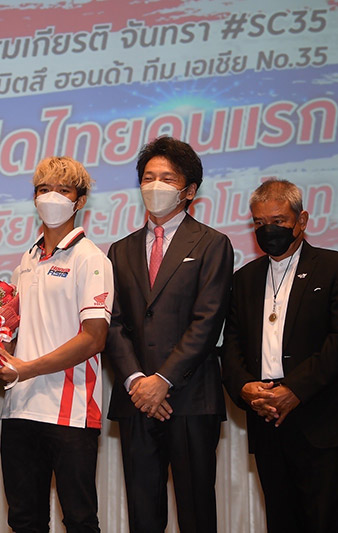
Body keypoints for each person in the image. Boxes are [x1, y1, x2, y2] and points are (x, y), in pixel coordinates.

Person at [220, 178, 338, 533]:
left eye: (278, 221)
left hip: (321, 419)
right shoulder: (244, 278)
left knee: (325, 522)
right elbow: (232, 344)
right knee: (280, 521)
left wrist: (294, 390)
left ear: (302, 221)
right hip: (266, 417)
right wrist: (245, 388)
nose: (268, 230)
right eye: (259, 223)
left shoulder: (335, 267)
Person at [105, 137, 233, 532]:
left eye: (167, 178)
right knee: (143, 515)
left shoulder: (212, 244)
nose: (155, 185)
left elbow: (207, 321)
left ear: (189, 190)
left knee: (196, 513)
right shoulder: (119, 250)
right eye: (148, 178)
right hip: (136, 401)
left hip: (191, 399)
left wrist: (162, 380)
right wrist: (137, 382)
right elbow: (113, 323)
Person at [0, 156, 114, 533]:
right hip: (19, 409)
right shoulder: (26, 260)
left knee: (79, 520)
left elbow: (94, 338)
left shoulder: (91, 259)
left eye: (63, 190)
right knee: (24, 520)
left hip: (70, 413)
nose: (52, 197)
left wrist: (27, 368)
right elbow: (17, 333)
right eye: (44, 189)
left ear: (80, 201)